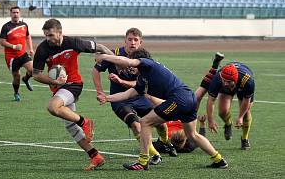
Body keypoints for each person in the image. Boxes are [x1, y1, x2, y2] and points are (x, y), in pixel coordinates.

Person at [95, 48, 228, 170]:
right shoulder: (143, 78)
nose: (130, 68)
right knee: (192, 135)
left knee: (145, 122)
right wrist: (107, 98)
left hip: (178, 99)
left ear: (138, 62)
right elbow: (128, 94)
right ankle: (219, 160)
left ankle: (142, 161)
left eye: (132, 65)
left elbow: (126, 61)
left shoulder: (148, 63)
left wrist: (105, 57)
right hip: (189, 98)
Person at [32, 18, 113, 171]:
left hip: (74, 85)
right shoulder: (43, 49)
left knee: (52, 107)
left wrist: (115, 61)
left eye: (50, 35)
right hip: (59, 88)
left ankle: (85, 122)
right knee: (71, 127)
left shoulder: (73, 43)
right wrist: (54, 81)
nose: (48, 39)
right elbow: (36, 74)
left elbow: (99, 47)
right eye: (46, 36)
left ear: (60, 32)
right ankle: (95, 156)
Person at [92, 28, 176, 166]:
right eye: (130, 39)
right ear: (125, 40)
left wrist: (121, 81)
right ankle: (155, 155)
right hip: (120, 99)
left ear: (140, 42)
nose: (132, 42)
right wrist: (100, 91)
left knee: (160, 123)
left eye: (135, 40)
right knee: (136, 126)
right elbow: (95, 70)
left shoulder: (144, 59)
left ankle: (166, 142)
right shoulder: (115, 55)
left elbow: (140, 84)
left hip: (140, 97)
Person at [151, 52, 224, 154]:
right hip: (181, 112)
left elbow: (148, 143)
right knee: (152, 98)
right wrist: (202, 124)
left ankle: (150, 69)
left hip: (172, 111)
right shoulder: (189, 146)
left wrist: (202, 124)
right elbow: (200, 139)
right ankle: (214, 67)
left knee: (198, 95)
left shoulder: (165, 145)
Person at [206, 62, 255, 150]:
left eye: (228, 81)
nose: (225, 83)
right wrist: (210, 120)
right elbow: (210, 100)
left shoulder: (247, 81)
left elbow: (246, 101)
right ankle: (228, 124)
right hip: (230, 86)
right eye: (223, 80)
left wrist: (240, 117)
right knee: (222, 111)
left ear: (234, 80)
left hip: (242, 87)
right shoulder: (218, 79)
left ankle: (245, 138)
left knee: (246, 114)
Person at [0, 6, 34, 101]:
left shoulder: (24, 25)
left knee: (33, 71)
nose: (15, 14)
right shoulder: (6, 27)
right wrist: (14, 46)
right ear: (10, 14)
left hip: (22, 54)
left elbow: (28, 37)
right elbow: (2, 42)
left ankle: (26, 79)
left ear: (19, 14)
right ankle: (16, 93)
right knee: (16, 77)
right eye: (14, 12)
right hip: (11, 57)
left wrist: (31, 49)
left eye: (17, 12)